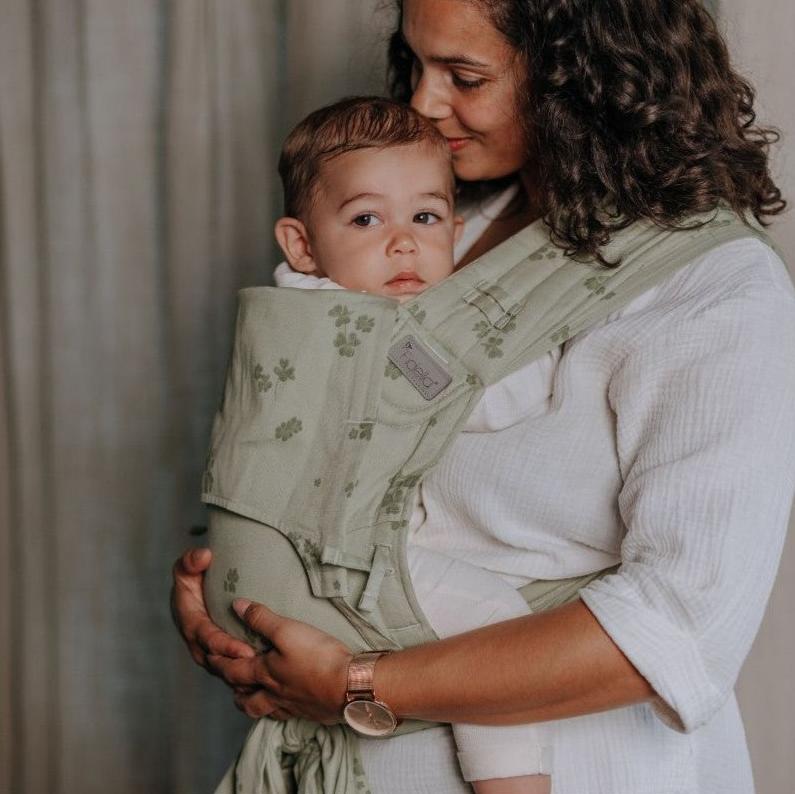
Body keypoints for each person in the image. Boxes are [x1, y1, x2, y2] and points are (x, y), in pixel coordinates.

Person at [171, 1, 795, 792]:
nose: (424, 104)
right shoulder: (426, 224)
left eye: (464, 76)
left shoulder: (709, 289)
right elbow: (339, 461)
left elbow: (677, 630)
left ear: (581, 79)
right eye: (416, 65)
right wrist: (236, 592)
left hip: (589, 767)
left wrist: (357, 685)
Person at [207, 94, 557, 793]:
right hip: (328, 560)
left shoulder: (306, 294)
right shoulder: (378, 332)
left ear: (455, 231)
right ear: (301, 245)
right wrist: (537, 353)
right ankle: (513, 785)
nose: (403, 242)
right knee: (494, 624)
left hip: (259, 577)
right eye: (366, 219)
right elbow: (491, 404)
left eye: (424, 218)